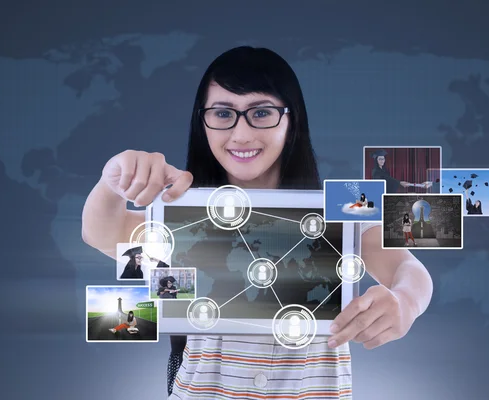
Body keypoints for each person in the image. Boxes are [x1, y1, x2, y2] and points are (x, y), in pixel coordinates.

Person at [82, 46, 433, 399]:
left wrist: (405, 302)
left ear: (291, 119)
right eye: (222, 114)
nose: (241, 135)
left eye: (261, 112)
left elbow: (407, 267)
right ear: (202, 122)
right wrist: (111, 180)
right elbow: (101, 233)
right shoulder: (180, 216)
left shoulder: (342, 204)